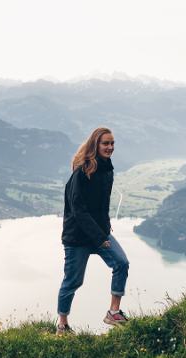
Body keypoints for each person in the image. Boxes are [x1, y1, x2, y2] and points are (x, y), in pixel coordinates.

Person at [56, 127, 130, 334]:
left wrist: (105, 227)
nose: (110, 147)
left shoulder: (107, 170)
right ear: (95, 145)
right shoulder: (81, 172)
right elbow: (78, 210)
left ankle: (113, 312)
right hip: (78, 237)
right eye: (105, 143)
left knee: (121, 263)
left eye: (112, 143)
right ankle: (62, 324)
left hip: (99, 233)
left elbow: (101, 205)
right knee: (73, 281)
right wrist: (99, 237)